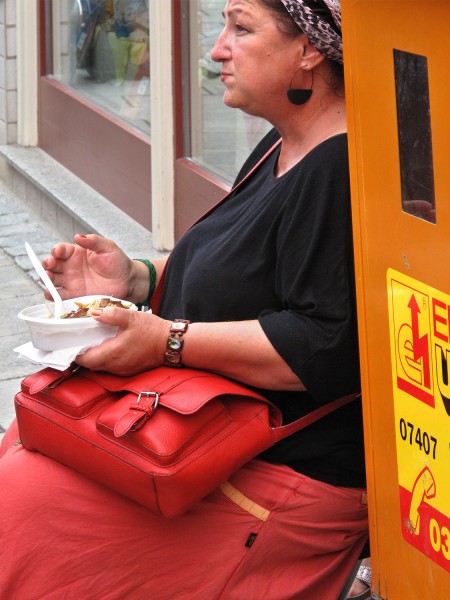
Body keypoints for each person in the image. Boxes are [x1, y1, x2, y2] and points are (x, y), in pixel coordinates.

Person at [0, 1, 368, 598]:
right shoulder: (283, 145)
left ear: (310, 50)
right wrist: (134, 280)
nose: (217, 49)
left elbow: (322, 344)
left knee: (22, 501)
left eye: (241, 29)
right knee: (27, 438)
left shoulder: (339, 170)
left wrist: (165, 341)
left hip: (279, 472)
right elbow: (244, 266)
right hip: (204, 436)